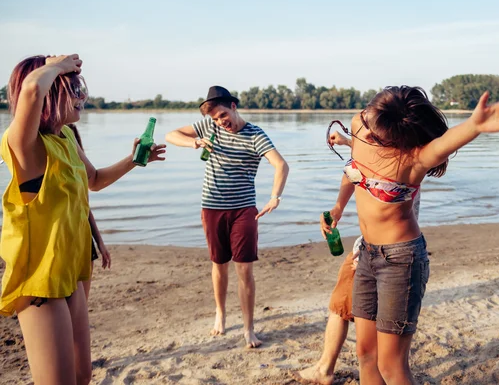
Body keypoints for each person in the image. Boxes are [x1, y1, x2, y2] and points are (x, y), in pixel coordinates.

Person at [321, 86, 499, 384]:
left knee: (391, 365)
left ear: (395, 135)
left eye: (374, 131)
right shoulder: (361, 124)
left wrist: (474, 125)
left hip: (400, 261)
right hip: (367, 253)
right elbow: (353, 168)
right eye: (367, 122)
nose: (364, 132)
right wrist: (337, 207)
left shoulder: (414, 160)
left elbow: (444, 143)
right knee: (365, 355)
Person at [0, 54, 166, 385]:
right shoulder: (24, 145)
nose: (82, 96)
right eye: (72, 88)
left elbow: (95, 180)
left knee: (82, 375)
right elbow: (31, 90)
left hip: (71, 272)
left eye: (80, 87)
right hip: (40, 280)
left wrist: (134, 160)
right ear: (50, 91)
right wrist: (59, 66)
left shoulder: (67, 137)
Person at [165, 85, 289, 348]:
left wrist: (275, 196)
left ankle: (248, 329)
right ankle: (220, 314)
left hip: (244, 210)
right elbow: (170, 134)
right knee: (219, 263)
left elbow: (281, 165)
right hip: (211, 207)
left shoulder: (255, 134)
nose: (221, 123)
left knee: (244, 268)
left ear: (233, 106)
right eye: (215, 119)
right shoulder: (208, 128)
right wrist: (194, 142)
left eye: (222, 115)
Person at [295, 132, 421, 385]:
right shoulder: (386, 154)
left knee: (386, 358)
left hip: (388, 250)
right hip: (370, 246)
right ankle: (326, 367)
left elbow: (383, 158)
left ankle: (324, 369)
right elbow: (363, 165)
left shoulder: (407, 160)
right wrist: (338, 207)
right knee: (367, 348)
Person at [68, 124, 112, 301]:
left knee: (81, 303)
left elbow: (85, 207)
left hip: (84, 241)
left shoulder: (79, 170)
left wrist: (100, 242)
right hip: (65, 240)